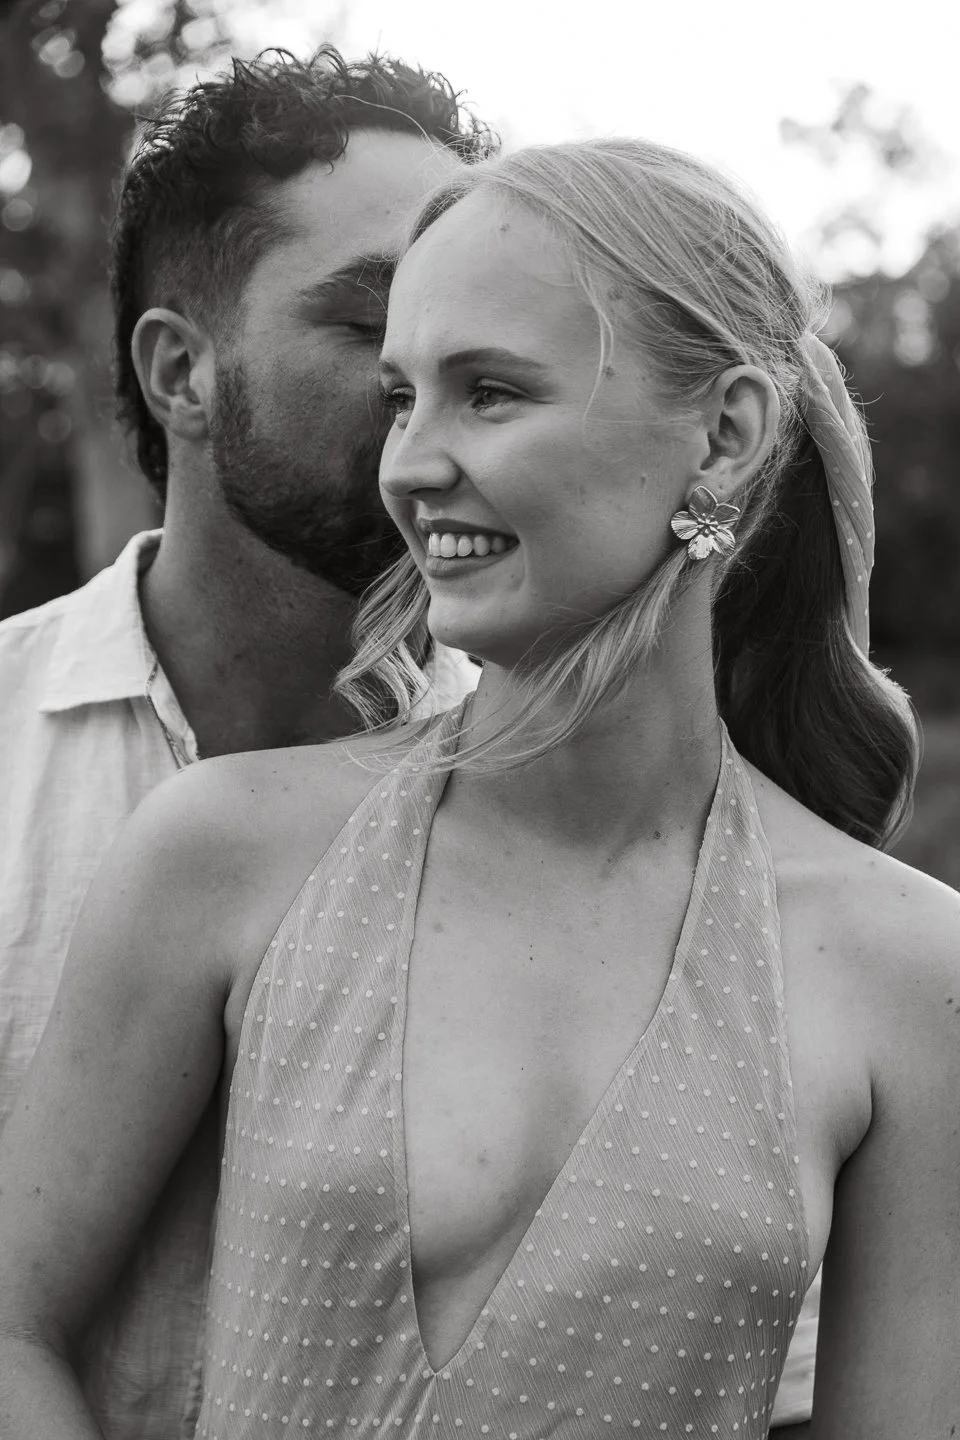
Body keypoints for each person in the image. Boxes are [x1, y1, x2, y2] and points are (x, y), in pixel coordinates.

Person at [3, 133, 954, 1439]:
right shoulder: (226, 852)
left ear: (725, 435)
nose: (409, 464)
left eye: (490, 392)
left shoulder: (912, 969)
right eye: (402, 395)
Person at [0, 47, 489, 1440]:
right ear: (181, 372)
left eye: (480, 327)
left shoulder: (569, 784)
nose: (436, 387)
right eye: (373, 322)